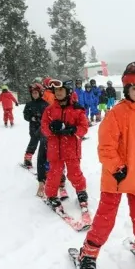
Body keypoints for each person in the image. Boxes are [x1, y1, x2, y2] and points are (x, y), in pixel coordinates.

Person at [77, 61, 135, 269]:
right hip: (117, 178)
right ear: (126, 90)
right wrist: (118, 169)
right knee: (106, 218)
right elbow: (106, 148)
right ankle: (88, 253)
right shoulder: (116, 114)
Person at [40, 79, 90, 209]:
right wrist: (51, 129)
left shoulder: (77, 109)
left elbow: (84, 127)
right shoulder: (49, 109)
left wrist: (73, 130)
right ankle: (51, 195)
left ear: (68, 91)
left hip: (71, 148)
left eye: (61, 90)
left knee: (75, 173)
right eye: (56, 90)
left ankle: (81, 191)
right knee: (54, 173)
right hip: (54, 149)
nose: (59, 93)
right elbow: (44, 127)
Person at [23, 83, 49, 180]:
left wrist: (43, 119)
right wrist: (31, 118)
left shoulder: (45, 104)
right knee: (33, 142)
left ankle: (45, 163)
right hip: (34, 127)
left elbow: (49, 114)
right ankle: (27, 158)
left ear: (39, 93)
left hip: (43, 127)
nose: (34, 95)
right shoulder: (29, 104)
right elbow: (25, 115)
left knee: (44, 145)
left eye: (36, 93)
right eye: (33, 93)